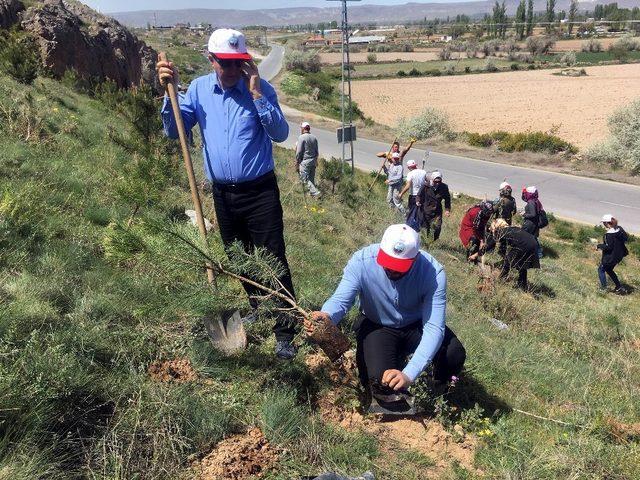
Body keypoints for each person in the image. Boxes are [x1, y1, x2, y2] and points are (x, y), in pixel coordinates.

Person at [157, 28, 297, 359]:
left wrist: (258, 92)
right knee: (239, 257)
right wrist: (170, 93)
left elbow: (280, 133)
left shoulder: (260, 90)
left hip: (260, 191)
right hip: (223, 193)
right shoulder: (199, 91)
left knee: (272, 258)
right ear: (211, 60)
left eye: (239, 63)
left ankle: (284, 332)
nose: (233, 71)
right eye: (226, 63)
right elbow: (173, 130)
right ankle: (258, 306)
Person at [306, 224, 465, 409]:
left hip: (416, 325)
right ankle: (391, 360)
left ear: (415, 258)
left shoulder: (433, 273)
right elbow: (341, 301)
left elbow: (434, 328)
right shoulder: (362, 261)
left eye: (400, 267)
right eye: (387, 263)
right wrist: (326, 317)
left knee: (453, 353)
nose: (392, 270)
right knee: (382, 391)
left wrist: (409, 374)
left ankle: (435, 396)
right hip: (378, 325)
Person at [471, 219, 539, 290]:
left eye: (491, 226)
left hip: (523, 245)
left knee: (507, 263)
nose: (489, 228)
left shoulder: (502, 232)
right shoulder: (512, 229)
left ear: (497, 225)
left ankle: (500, 281)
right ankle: (522, 284)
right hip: (533, 243)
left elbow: (489, 246)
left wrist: (475, 255)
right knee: (522, 264)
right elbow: (503, 248)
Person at [597, 214, 629, 294]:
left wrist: (599, 245)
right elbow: (626, 238)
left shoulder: (608, 235)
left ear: (606, 223)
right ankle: (619, 287)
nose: (603, 224)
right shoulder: (619, 229)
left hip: (611, 257)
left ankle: (603, 289)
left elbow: (609, 247)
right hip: (619, 255)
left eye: (604, 223)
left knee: (601, 269)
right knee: (609, 269)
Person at [417, 171, 451, 242]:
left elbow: (447, 199)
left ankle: (434, 241)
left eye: (439, 181)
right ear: (432, 180)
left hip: (437, 211)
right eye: (436, 181)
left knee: (437, 227)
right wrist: (418, 201)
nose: (438, 183)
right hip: (426, 210)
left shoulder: (444, 187)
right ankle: (425, 242)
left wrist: (447, 210)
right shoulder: (426, 186)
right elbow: (419, 195)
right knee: (426, 227)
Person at [296, 121, 320, 197]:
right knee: (311, 179)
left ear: (303, 128)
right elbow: (317, 151)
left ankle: (315, 193)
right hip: (313, 161)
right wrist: (316, 160)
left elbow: (299, 151)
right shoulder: (314, 137)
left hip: (305, 161)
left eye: (301, 128)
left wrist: (297, 161)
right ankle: (312, 196)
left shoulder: (301, 137)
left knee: (305, 179)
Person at [521, 186, 544, 259]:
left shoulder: (531, 202)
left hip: (530, 224)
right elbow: (524, 198)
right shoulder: (536, 200)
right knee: (534, 238)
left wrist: (524, 214)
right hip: (535, 223)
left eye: (526, 193)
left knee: (523, 237)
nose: (525, 194)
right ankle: (539, 253)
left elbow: (533, 214)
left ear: (530, 194)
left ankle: (523, 252)